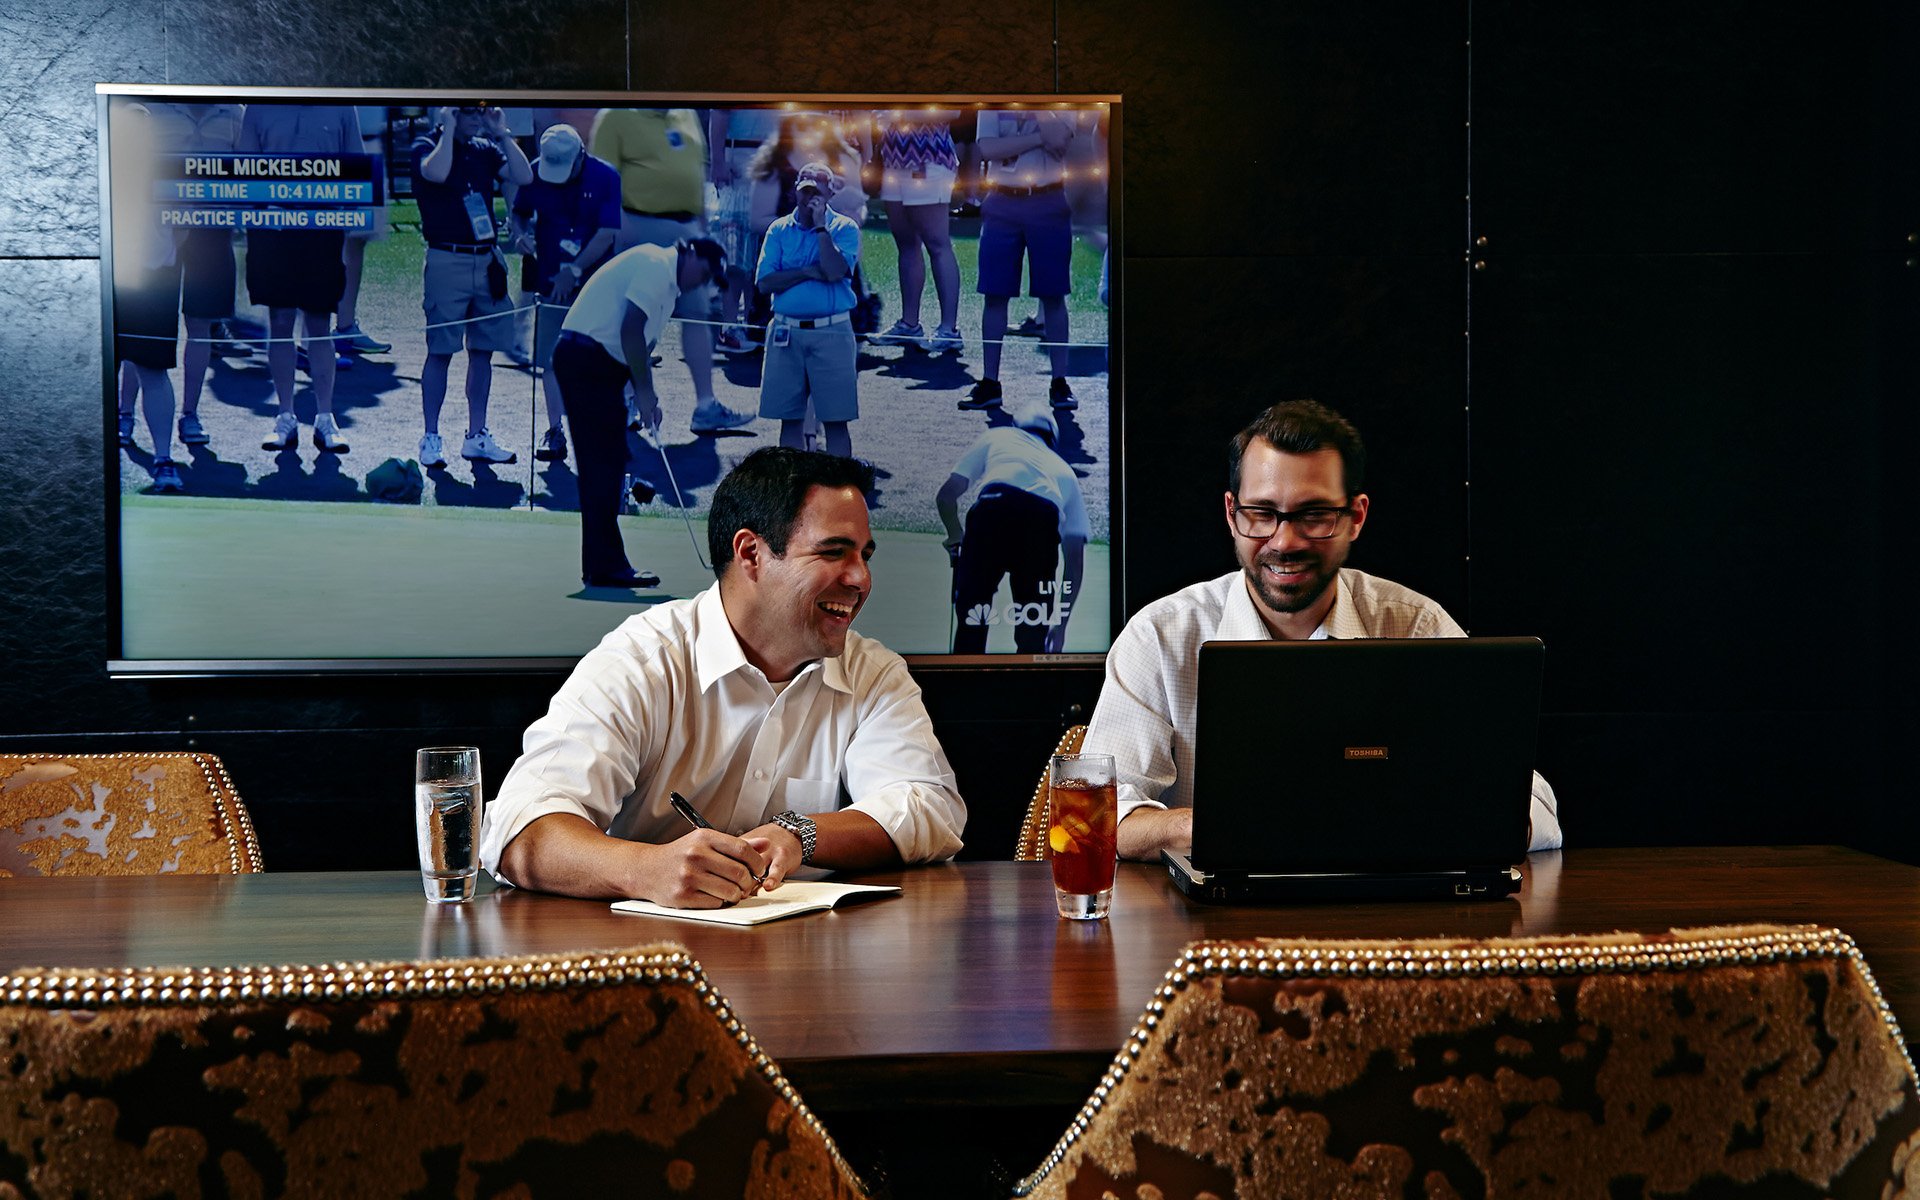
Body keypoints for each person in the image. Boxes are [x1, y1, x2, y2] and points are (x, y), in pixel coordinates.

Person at [479, 447, 967, 907]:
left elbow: (929, 808)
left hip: (808, 966)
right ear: (750, 552)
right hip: (646, 968)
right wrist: (646, 869)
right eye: (834, 552)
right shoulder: (645, 659)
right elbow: (519, 826)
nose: (860, 578)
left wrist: (801, 833)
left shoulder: (874, 673)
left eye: (865, 554)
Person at [1082, 399, 1564, 860]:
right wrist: (1217, 824)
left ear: (1356, 517)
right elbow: (1094, 817)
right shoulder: (1161, 638)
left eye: (1314, 515)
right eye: (1262, 513)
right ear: (1232, 514)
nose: (1284, 540)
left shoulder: (1416, 626)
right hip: (1209, 927)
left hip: (1386, 925)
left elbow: (1537, 811)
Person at [551, 237, 728, 590]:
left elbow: (640, 345)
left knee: (610, 462)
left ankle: (603, 566)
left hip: (599, 364)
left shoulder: (668, 286)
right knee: (601, 464)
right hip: (586, 359)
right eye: (704, 273)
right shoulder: (656, 264)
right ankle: (605, 568)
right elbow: (630, 329)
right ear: (690, 252)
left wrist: (647, 396)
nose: (700, 282)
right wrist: (643, 392)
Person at [590, 108, 754, 435]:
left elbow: (694, 174)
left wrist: (703, 229)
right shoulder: (615, 116)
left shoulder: (685, 114)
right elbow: (601, 182)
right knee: (640, 319)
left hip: (688, 232)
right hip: (638, 227)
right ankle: (627, 401)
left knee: (697, 316)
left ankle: (705, 406)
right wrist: (616, 231)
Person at [410, 103, 533, 470]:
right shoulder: (425, 145)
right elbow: (437, 172)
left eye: (482, 110)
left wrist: (502, 132)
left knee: (483, 351)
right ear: (450, 114)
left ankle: (476, 435)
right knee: (441, 351)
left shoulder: (487, 149)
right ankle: (431, 437)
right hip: (447, 258)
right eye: (469, 111)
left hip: (486, 258)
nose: (478, 117)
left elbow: (523, 177)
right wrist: (447, 130)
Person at [238, 102, 362, 454]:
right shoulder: (259, 107)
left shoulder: (340, 107)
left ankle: (325, 419)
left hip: (321, 227)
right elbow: (245, 168)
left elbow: (354, 166)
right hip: (272, 228)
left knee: (319, 322)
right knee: (279, 320)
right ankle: (285, 416)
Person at [509, 122, 621, 464]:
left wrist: (573, 270)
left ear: (580, 157)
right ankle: (555, 430)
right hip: (550, 282)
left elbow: (606, 233)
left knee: (601, 358)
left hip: (595, 282)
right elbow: (520, 213)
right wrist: (520, 235)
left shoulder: (605, 177)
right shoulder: (534, 172)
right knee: (552, 359)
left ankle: (602, 427)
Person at [937, 405, 1088, 653]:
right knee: (1032, 635)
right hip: (1041, 522)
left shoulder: (997, 436)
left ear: (1017, 427)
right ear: (1053, 440)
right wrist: (1061, 626)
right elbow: (1075, 561)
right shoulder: (1066, 472)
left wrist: (956, 535)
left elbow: (945, 497)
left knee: (972, 621)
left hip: (991, 511)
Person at [960, 108, 1081, 414]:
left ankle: (1059, 382)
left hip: (1048, 198)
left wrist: (1038, 110)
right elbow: (987, 148)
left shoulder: (1060, 103)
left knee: (1053, 295)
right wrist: (1038, 138)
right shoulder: (993, 102)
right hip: (1002, 200)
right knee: (995, 293)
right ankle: (990, 383)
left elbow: (1060, 142)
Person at [755, 162, 862, 458]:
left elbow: (833, 270)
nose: (808, 199)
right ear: (796, 192)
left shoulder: (844, 228)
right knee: (789, 419)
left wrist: (820, 228)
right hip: (786, 332)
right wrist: (805, 271)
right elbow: (765, 283)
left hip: (832, 332)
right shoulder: (778, 230)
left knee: (836, 421)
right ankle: (793, 491)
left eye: (816, 192)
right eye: (804, 192)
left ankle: (838, 494)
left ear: (829, 193)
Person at [870, 109, 963, 352]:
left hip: (929, 159)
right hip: (893, 160)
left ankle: (949, 330)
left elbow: (952, 110)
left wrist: (899, 114)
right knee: (906, 242)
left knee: (937, 243)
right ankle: (909, 325)